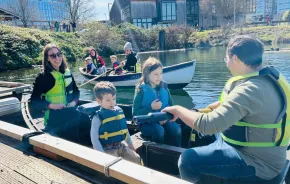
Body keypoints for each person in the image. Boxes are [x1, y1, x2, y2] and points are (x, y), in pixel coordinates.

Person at [162, 35, 290, 183]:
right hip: (255, 148)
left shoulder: (251, 89)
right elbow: (234, 106)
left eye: (226, 59)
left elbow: (207, 125)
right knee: (205, 139)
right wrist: (205, 110)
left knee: (188, 160)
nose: (227, 64)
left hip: (259, 163)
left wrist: (178, 110)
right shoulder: (265, 78)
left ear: (235, 58)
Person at [31, 43, 82, 142]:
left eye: (59, 54)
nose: (57, 58)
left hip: (71, 115)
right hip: (54, 118)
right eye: (53, 56)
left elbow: (76, 92)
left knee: (75, 142)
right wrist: (51, 106)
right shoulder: (43, 77)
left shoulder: (68, 73)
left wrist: (74, 102)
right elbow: (34, 100)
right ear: (47, 58)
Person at [132, 57, 182, 147]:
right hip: (147, 123)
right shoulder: (141, 90)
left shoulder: (164, 86)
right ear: (147, 74)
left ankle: (177, 152)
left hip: (164, 119)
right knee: (159, 131)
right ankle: (159, 154)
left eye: (160, 73)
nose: (159, 77)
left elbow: (171, 105)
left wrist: (167, 118)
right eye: (155, 74)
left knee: (176, 129)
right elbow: (135, 113)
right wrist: (151, 107)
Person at [90, 81, 141, 164]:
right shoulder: (97, 117)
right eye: (108, 100)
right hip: (107, 149)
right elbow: (94, 138)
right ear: (99, 101)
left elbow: (124, 130)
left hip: (121, 145)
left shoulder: (119, 111)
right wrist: (100, 154)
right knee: (113, 164)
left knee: (136, 159)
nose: (112, 102)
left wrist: (130, 143)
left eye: (114, 99)